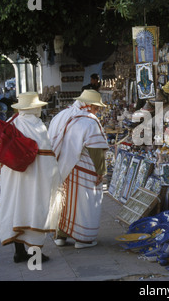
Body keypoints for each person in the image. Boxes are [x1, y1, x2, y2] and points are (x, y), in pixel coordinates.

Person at [0, 92, 64, 263]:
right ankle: (35, 256)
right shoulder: (37, 125)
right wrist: (54, 176)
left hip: (13, 176)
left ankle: (19, 252)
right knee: (34, 209)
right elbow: (47, 157)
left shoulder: (10, 123)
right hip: (33, 177)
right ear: (34, 108)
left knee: (16, 209)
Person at [48, 89, 108, 249]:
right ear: (88, 105)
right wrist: (101, 171)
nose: (97, 111)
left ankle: (60, 235)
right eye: (96, 107)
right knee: (83, 203)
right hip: (82, 169)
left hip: (60, 167)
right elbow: (96, 149)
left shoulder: (61, 116)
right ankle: (83, 239)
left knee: (62, 202)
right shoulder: (88, 121)